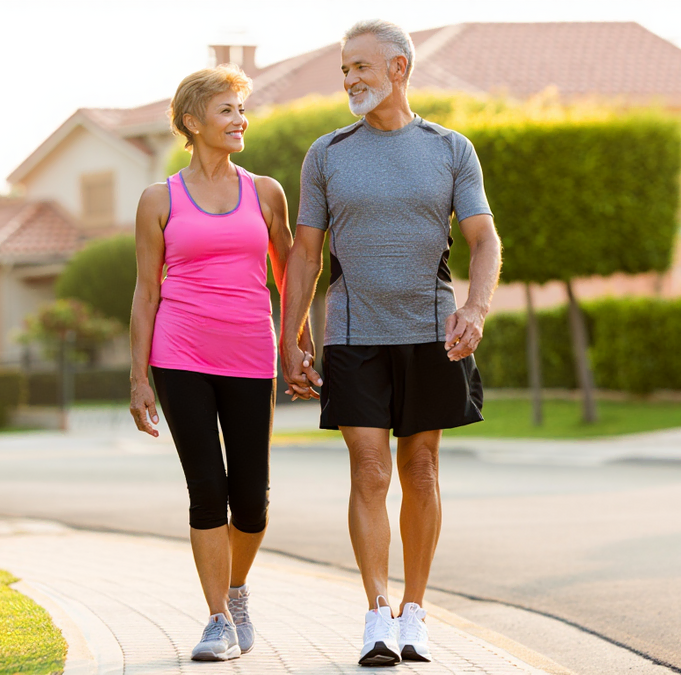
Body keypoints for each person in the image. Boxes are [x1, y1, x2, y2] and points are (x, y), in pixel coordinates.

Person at [279, 19, 502, 668]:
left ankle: (415, 610)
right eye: (344, 69)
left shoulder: (449, 148)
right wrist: (289, 335)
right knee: (370, 469)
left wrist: (477, 306)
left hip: (431, 332)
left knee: (422, 468)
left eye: (360, 67)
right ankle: (376, 612)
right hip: (353, 335)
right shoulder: (327, 154)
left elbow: (483, 238)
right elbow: (304, 255)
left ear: (398, 69)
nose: (349, 78)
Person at [129, 64, 311, 662]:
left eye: (241, 109)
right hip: (179, 353)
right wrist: (138, 377)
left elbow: (289, 275)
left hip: (250, 354)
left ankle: (236, 591)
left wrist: (296, 343)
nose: (241, 120)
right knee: (206, 489)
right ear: (192, 121)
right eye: (227, 110)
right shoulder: (159, 199)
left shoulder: (265, 191)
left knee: (251, 500)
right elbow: (146, 291)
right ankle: (215, 621)